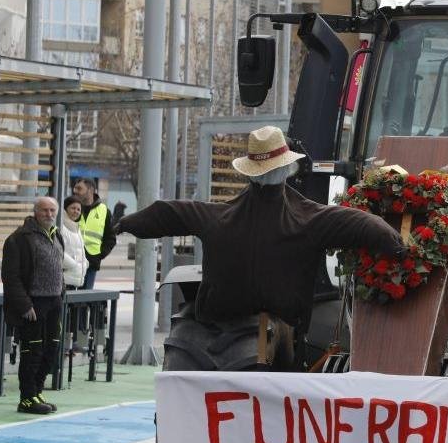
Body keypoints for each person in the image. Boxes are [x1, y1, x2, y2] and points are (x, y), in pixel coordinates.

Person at [115, 126, 405, 370]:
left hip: (215, 322)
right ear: (288, 169)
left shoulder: (216, 217)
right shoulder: (309, 219)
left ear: (249, 172)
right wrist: (397, 245)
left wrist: (124, 223)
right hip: (281, 333)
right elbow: (360, 223)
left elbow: (167, 213)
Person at [2, 197, 65, 415]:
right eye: (44, 210)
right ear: (35, 212)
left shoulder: (56, 235)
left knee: (51, 350)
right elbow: (11, 277)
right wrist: (24, 305)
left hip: (54, 302)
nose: (49, 214)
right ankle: (27, 398)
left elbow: (58, 268)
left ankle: (37, 392)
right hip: (33, 305)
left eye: (52, 210)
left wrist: (61, 293)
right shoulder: (19, 238)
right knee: (32, 352)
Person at [74, 178, 116, 289]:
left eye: (79, 188)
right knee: (68, 296)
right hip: (72, 262)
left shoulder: (104, 211)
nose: (75, 191)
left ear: (90, 190)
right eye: (75, 188)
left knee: (86, 296)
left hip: (91, 263)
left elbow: (111, 238)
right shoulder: (71, 207)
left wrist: (99, 256)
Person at [60, 196, 86, 290]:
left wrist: (85, 263)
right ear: (65, 209)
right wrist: (73, 265)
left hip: (72, 279)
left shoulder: (75, 227)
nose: (76, 211)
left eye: (78, 209)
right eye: (73, 208)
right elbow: (58, 250)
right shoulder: (61, 226)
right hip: (64, 279)